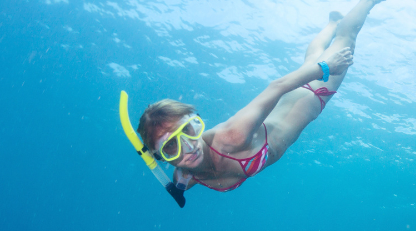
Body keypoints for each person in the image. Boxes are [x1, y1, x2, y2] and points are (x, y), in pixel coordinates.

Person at [135, 0, 381, 202]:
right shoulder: (184, 176)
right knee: (310, 58)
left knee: (347, 37)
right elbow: (181, 183)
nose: (188, 148)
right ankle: (332, 22)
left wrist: (326, 68)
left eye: (188, 131)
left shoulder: (232, 136)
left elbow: (277, 87)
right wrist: (178, 188)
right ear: (161, 157)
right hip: (299, 89)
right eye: (171, 147)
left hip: (314, 92)